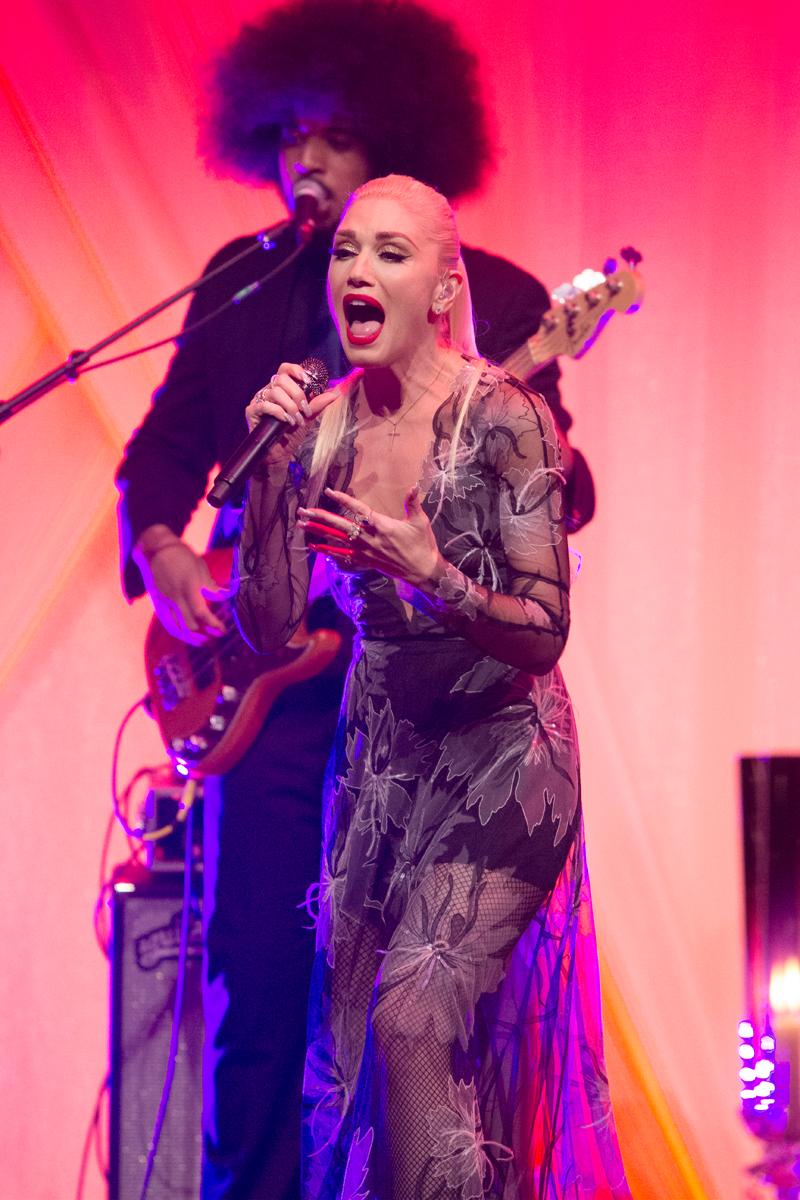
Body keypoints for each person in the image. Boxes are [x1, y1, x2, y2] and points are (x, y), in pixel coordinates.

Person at [115, 3, 596, 1196]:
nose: (301, 161)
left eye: (328, 133)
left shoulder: (497, 294)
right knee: (260, 997)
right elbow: (160, 455)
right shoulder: (240, 280)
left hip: (440, 711)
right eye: (284, 134)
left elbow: (555, 504)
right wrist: (174, 559)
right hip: (279, 715)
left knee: (416, 1027)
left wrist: (464, 516)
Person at [235, 173, 628, 1199]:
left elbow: (544, 632)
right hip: (382, 768)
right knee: (371, 1059)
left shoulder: (508, 421)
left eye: (389, 254)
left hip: (504, 763)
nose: (357, 271)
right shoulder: (316, 430)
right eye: (345, 252)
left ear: (443, 289)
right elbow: (269, 625)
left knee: (412, 1013)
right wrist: (270, 471)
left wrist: (433, 575)